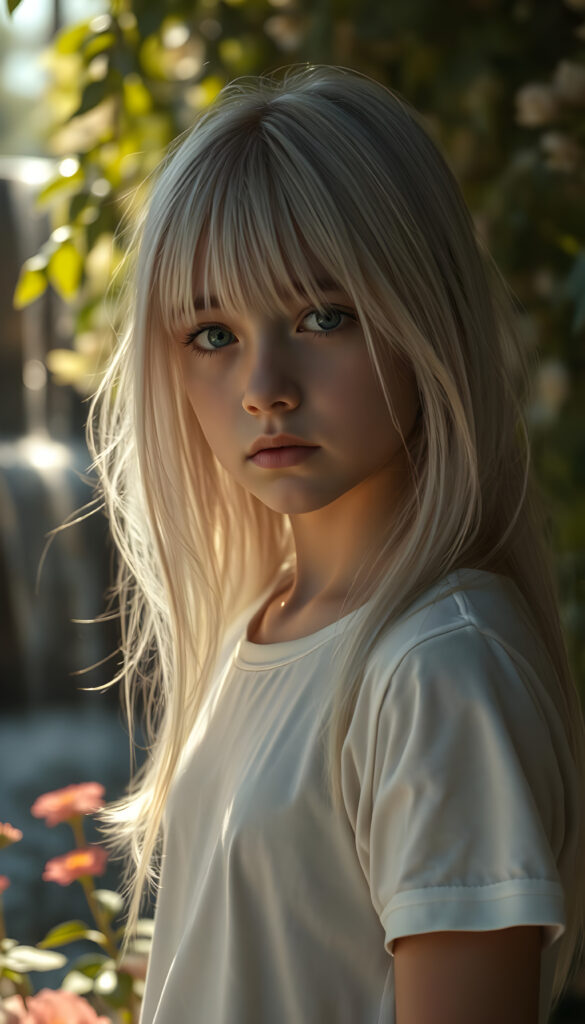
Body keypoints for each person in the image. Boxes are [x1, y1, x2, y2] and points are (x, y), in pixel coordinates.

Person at [86, 64, 585, 1023]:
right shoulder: (261, 625)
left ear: (420, 314)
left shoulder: (437, 669)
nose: (263, 385)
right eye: (210, 333)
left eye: (324, 317)